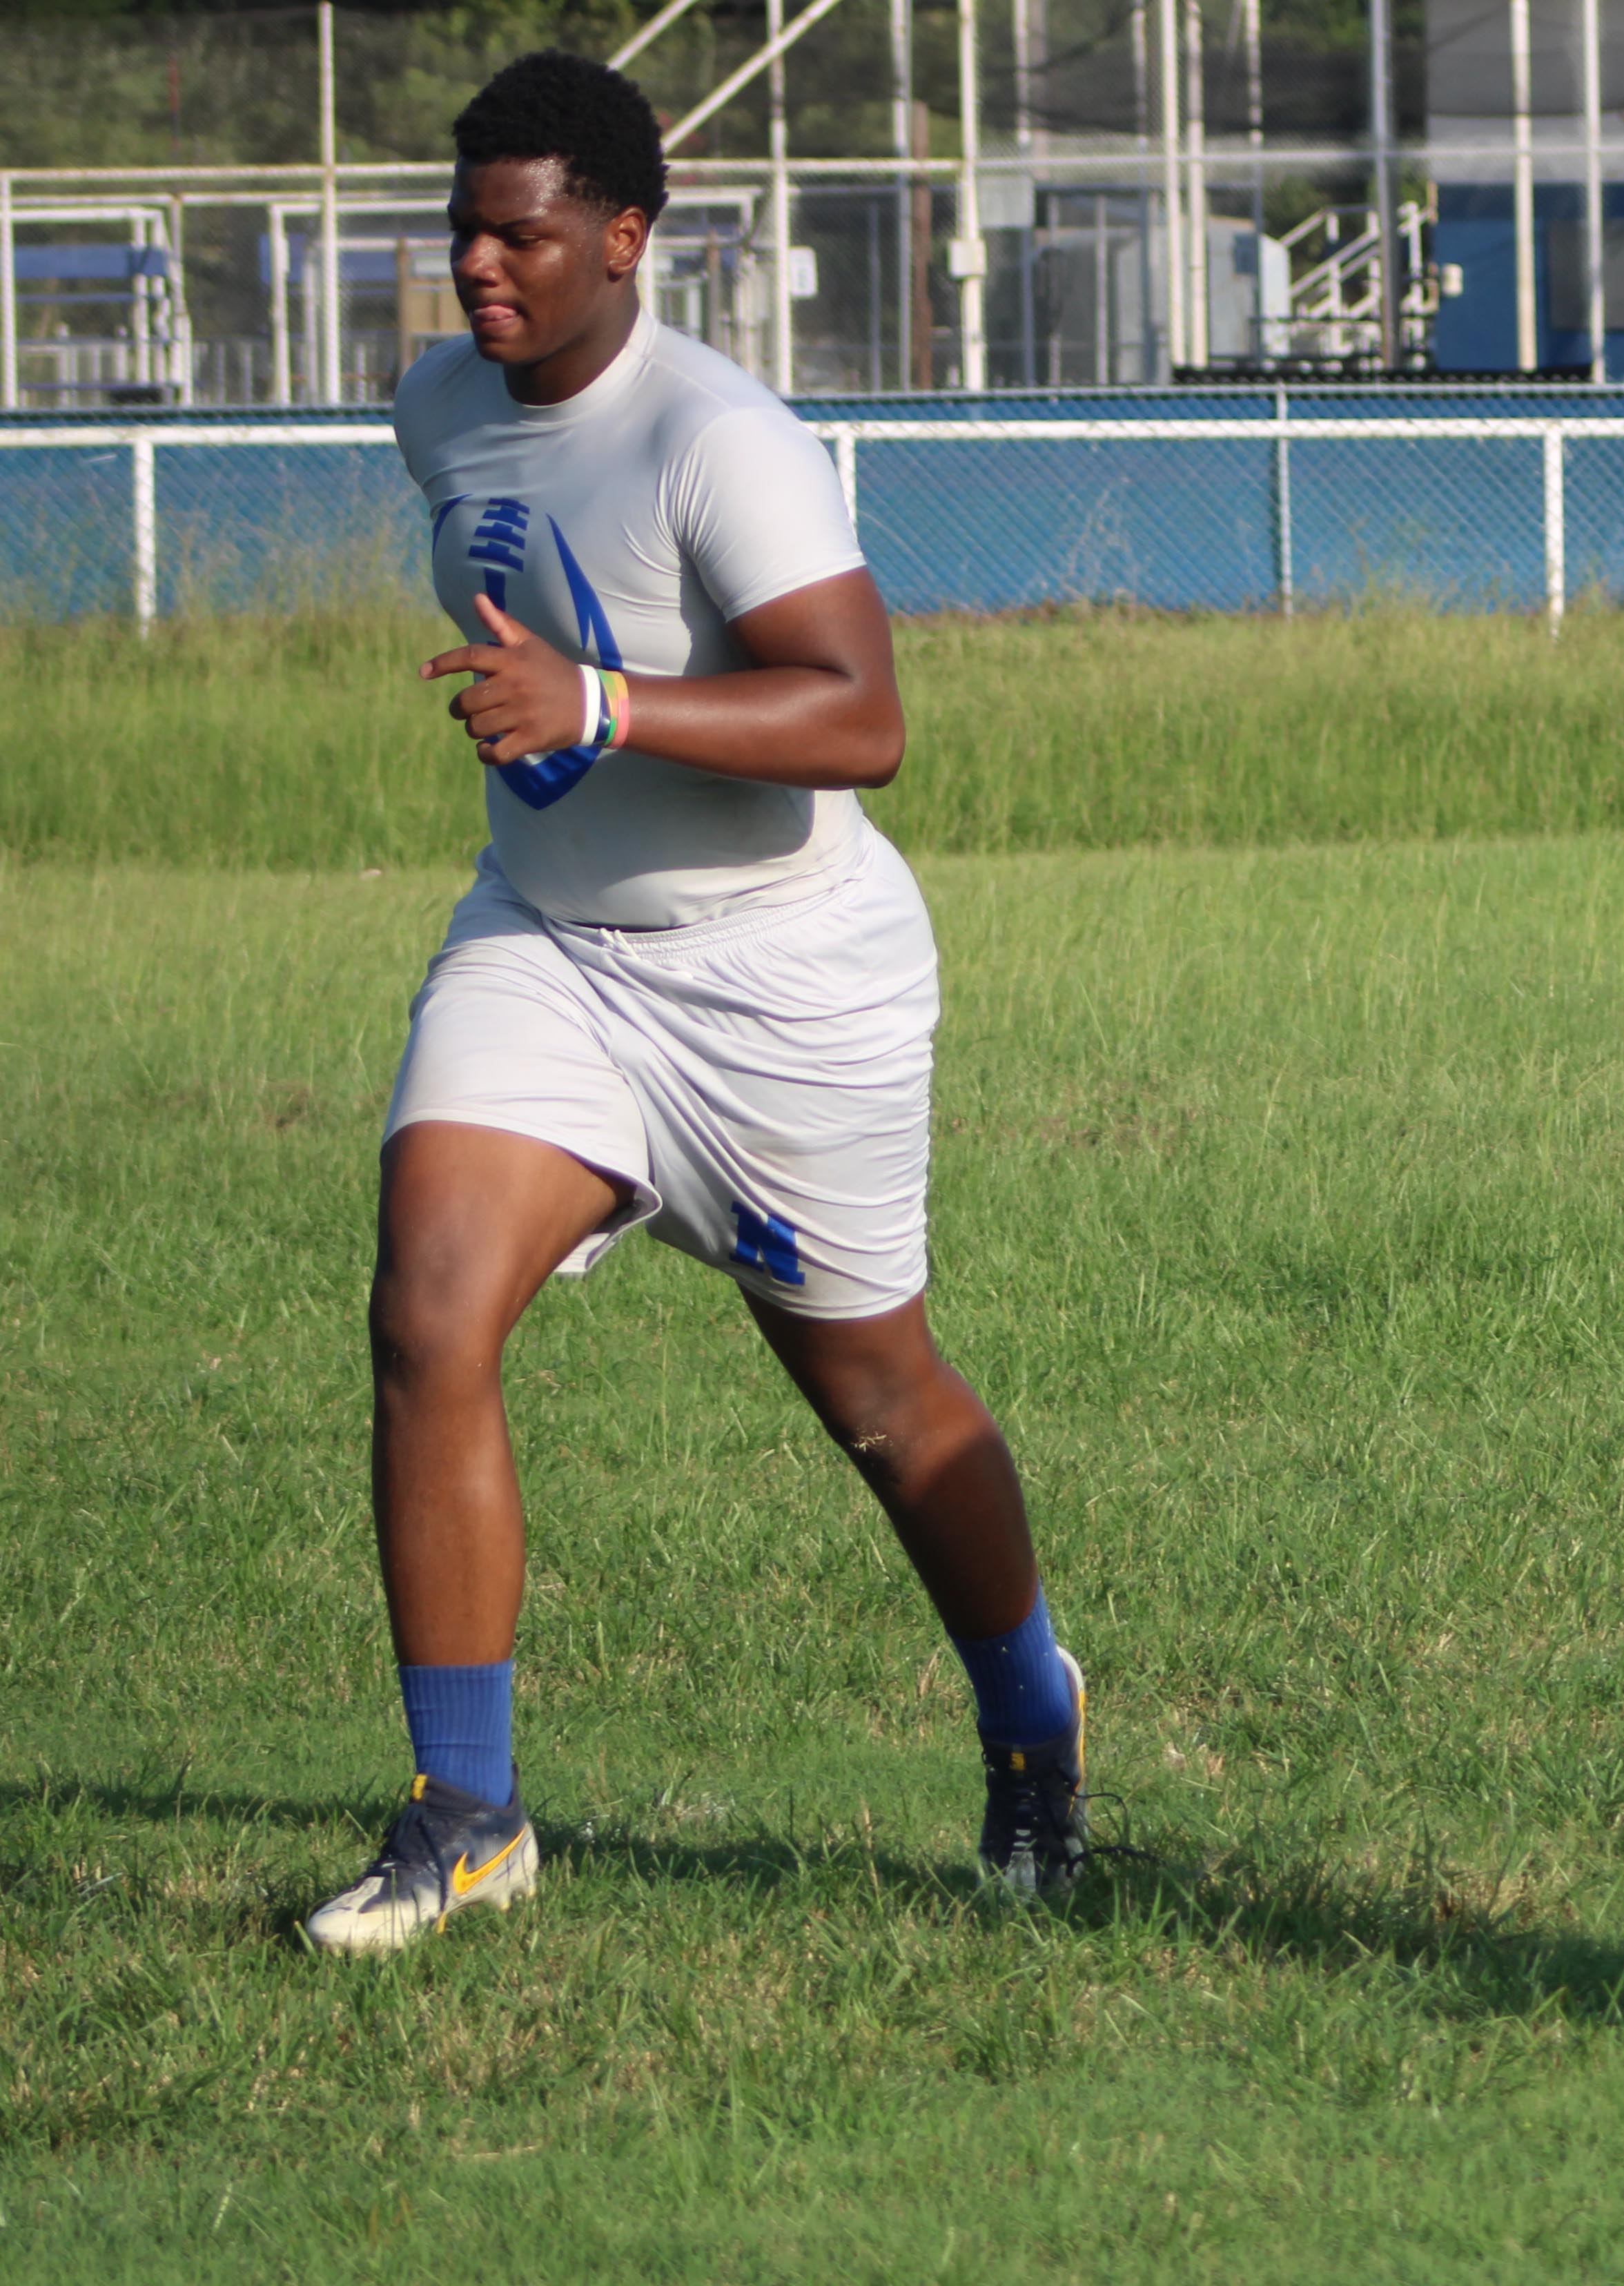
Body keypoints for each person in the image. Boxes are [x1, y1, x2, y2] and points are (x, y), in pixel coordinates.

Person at [302, 52, 1093, 1955]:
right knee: (427, 1310)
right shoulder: (441, 408)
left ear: (626, 239)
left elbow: (863, 719)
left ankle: (1028, 1724)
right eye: (463, 234)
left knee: (882, 1403)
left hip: (778, 983)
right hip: (549, 948)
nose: (480, 273)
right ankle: (467, 1817)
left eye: (523, 235)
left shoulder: (717, 439)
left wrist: (603, 705)